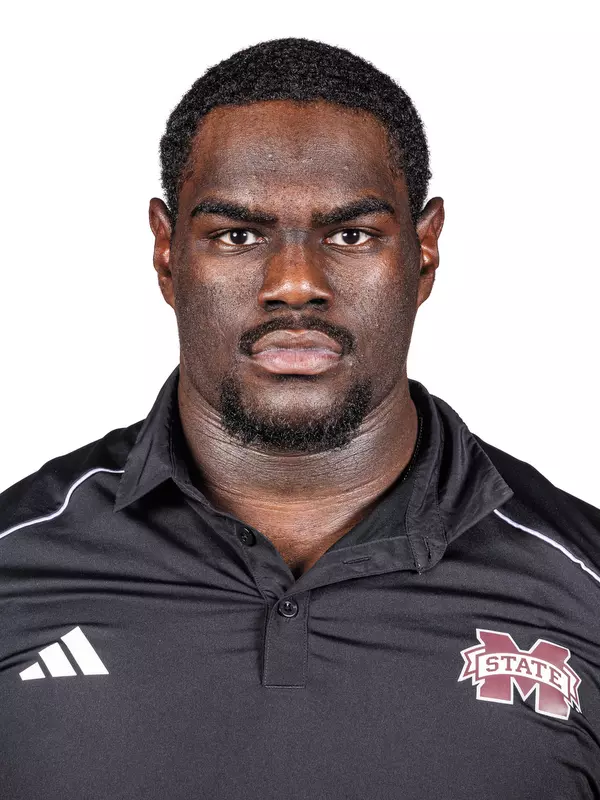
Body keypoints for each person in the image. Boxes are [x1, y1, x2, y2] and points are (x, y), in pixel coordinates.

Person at [0, 37, 598, 800]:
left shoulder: (583, 587)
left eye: (350, 235)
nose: (294, 283)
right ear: (166, 254)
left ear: (423, 251)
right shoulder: (16, 572)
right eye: (237, 235)